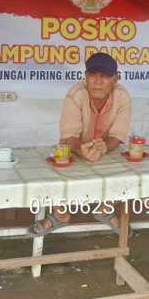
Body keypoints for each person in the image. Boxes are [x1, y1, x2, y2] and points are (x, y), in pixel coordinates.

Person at [29, 52, 131, 235]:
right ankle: (61, 216)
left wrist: (105, 147)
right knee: (60, 167)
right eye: (93, 75)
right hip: (75, 147)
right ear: (86, 77)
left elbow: (117, 135)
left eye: (105, 76)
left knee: (124, 169)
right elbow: (69, 136)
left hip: (106, 149)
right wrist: (81, 150)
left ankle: (105, 209)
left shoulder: (122, 97)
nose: (98, 81)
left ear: (115, 79)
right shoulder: (75, 95)